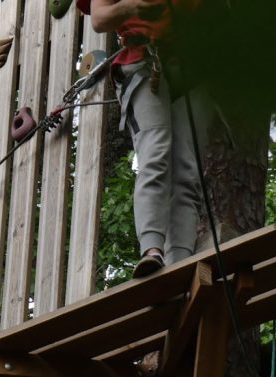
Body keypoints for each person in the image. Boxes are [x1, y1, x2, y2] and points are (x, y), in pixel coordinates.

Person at [86, 0, 206, 277]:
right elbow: (99, 17)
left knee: (188, 168)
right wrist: (132, 7)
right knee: (156, 150)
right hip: (142, 61)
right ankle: (152, 250)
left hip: (191, 64)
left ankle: (181, 262)